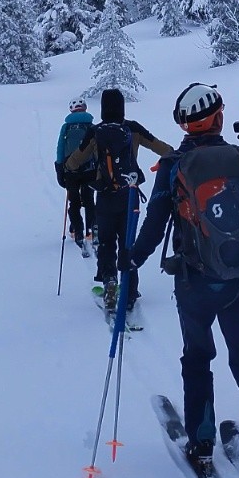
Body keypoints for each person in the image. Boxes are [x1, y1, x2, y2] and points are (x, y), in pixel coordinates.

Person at [129, 83, 239, 478]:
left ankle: (201, 443)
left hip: (194, 282)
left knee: (198, 359)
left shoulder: (174, 164)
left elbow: (153, 224)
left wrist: (132, 260)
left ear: (183, 125)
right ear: (219, 118)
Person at [66, 87, 173, 314]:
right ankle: (130, 292)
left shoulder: (96, 131)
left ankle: (110, 282)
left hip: (105, 195)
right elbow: (163, 148)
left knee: (106, 242)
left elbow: (75, 160)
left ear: (103, 108)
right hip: (130, 195)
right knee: (128, 244)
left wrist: (68, 167)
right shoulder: (132, 128)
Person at [55, 99, 97, 249]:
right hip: (89, 169)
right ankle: (91, 230)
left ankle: (77, 231)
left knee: (74, 201)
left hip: (70, 170)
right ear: (85, 109)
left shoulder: (66, 128)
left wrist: (59, 167)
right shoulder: (92, 127)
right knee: (89, 200)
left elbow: (60, 148)